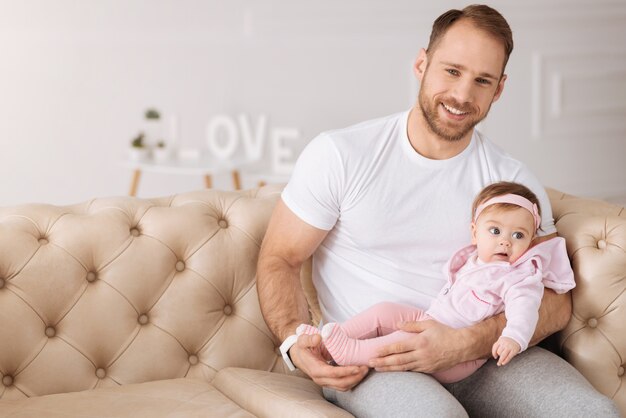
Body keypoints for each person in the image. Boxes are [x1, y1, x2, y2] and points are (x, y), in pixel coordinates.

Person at [257, 4, 619, 417]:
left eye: (482, 80)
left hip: (486, 355)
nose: (463, 95)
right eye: (451, 71)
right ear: (421, 63)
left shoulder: (513, 183)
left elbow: (556, 299)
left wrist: (467, 342)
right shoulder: (340, 154)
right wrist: (293, 344)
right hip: (377, 358)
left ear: (499, 89)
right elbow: (280, 258)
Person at [295, 182, 576, 384]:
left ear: (529, 242)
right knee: (384, 311)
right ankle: (328, 339)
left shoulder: (518, 276)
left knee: (404, 340)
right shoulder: (474, 260)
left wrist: (513, 337)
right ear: (474, 233)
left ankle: (352, 352)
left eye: (518, 236)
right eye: (495, 231)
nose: (505, 240)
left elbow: (525, 309)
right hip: (432, 319)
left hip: (456, 357)